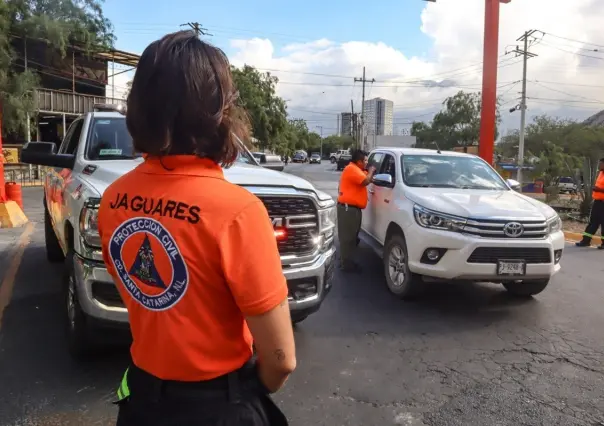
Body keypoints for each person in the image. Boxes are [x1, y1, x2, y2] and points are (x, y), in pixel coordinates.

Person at [97, 30, 296, 426]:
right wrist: (245, 394)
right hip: (216, 405)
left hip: (141, 401)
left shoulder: (114, 199)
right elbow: (281, 360)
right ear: (218, 111)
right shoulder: (238, 211)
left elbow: (144, 297)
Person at [336, 149, 376, 272]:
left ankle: (347, 261)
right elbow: (365, 181)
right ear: (359, 161)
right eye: (365, 160)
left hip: (353, 209)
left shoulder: (357, 170)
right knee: (347, 238)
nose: (366, 162)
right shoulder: (351, 169)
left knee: (352, 237)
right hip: (348, 209)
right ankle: (346, 265)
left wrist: (369, 173)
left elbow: (368, 178)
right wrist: (371, 171)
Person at [576, 158, 604, 249]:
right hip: (598, 202)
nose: (599, 166)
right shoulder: (601, 173)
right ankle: (585, 241)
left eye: (601, 164)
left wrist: (599, 189)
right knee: (593, 222)